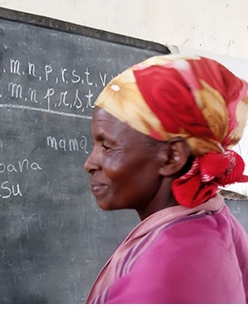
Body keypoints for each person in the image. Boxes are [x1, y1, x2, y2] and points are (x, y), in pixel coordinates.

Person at [84, 54, 248, 304]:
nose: (89, 164)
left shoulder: (165, 274)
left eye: (106, 146)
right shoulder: (214, 220)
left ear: (172, 156)